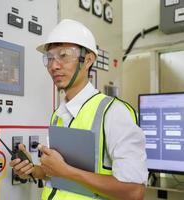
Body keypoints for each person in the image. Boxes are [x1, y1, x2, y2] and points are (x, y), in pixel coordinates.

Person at [10, 19, 148, 200]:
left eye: (64, 55)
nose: (54, 66)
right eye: (49, 58)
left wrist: (67, 171)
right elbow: (60, 176)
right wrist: (35, 171)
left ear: (88, 59)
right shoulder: (59, 114)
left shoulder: (114, 113)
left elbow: (134, 192)